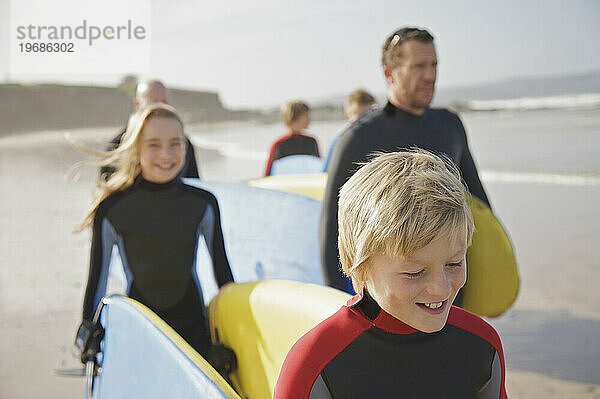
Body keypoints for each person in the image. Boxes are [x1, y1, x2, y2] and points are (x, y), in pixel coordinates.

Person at [275, 150, 507, 398]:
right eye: (415, 272)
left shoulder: (482, 346)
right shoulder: (316, 364)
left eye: (454, 264)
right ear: (359, 266)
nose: (441, 288)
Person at [320, 27, 491, 292]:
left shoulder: (451, 126)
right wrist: (339, 300)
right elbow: (333, 230)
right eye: (418, 66)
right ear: (390, 73)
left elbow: (479, 208)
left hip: (449, 297)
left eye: (434, 65)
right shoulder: (359, 139)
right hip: (389, 308)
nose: (430, 76)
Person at [74, 104, 233, 365]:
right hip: (142, 335)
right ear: (136, 149)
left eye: (175, 144)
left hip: (195, 335)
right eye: (154, 145)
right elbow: (97, 279)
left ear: (186, 147)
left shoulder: (203, 203)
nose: (166, 154)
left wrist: (235, 328)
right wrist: (87, 330)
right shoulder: (113, 209)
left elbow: (223, 274)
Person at [100, 79, 200, 180]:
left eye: (164, 103)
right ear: (137, 104)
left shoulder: (183, 143)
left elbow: (195, 182)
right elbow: (105, 188)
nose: (161, 109)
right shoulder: (117, 146)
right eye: (154, 103)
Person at [323, 89, 378, 170]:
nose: (367, 120)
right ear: (348, 115)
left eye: (371, 114)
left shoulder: (385, 137)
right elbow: (327, 171)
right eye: (361, 116)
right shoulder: (341, 140)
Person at [264, 100, 320, 176]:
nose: (309, 119)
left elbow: (319, 168)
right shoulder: (279, 144)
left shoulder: (312, 141)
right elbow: (268, 174)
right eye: (306, 115)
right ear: (294, 117)